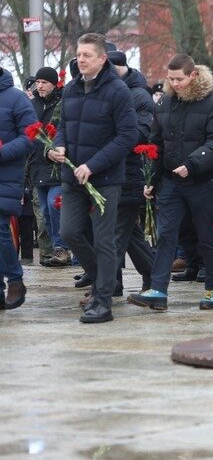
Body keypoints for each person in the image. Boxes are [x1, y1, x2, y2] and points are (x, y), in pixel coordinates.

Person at [128, 54, 213, 312]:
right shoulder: (165, 102)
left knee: (206, 236)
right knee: (166, 235)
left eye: (179, 79)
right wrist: (151, 179)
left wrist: (193, 164)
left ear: (193, 75)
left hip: (202, 180)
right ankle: (158, 290)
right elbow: (157, 143)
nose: (175, 84)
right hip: (170, 181)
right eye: (171, 79)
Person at [49, 33, 138, 323]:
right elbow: (64, 125)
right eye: (78, 54)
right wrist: (58, 146)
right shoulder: (71, 88)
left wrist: (93, 164)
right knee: (69, 232)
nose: (81, 60)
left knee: (103, 240)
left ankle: (102, 302)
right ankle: (103, 279)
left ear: (102, 58)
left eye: (87, 55)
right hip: (72, 176)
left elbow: (127, 136)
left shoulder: (118, 91)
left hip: (105, 178)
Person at [107, 51, 155, 298]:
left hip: (128, 172)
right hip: (107, 171)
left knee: (114, 234)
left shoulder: (139, 96)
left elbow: (141, 134)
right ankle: (153, 275)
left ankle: (105, 286)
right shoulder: (107, 90)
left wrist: (108, 137)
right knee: (128, 234)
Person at [0, 66, 36, 310]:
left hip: (6, 175)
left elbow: (31, 135)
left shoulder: (16, 98)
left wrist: (2, 153)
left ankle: (15, 279)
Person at [28, 66, 67, 267]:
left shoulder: (62, 103)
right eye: (38, 82)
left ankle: (62, 248)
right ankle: (52, 251)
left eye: (44, 82)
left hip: (56, 165)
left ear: (54, 84)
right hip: (37, 165)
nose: (40, 86)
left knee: (54, 205)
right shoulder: (32, 104)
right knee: (43, 212)